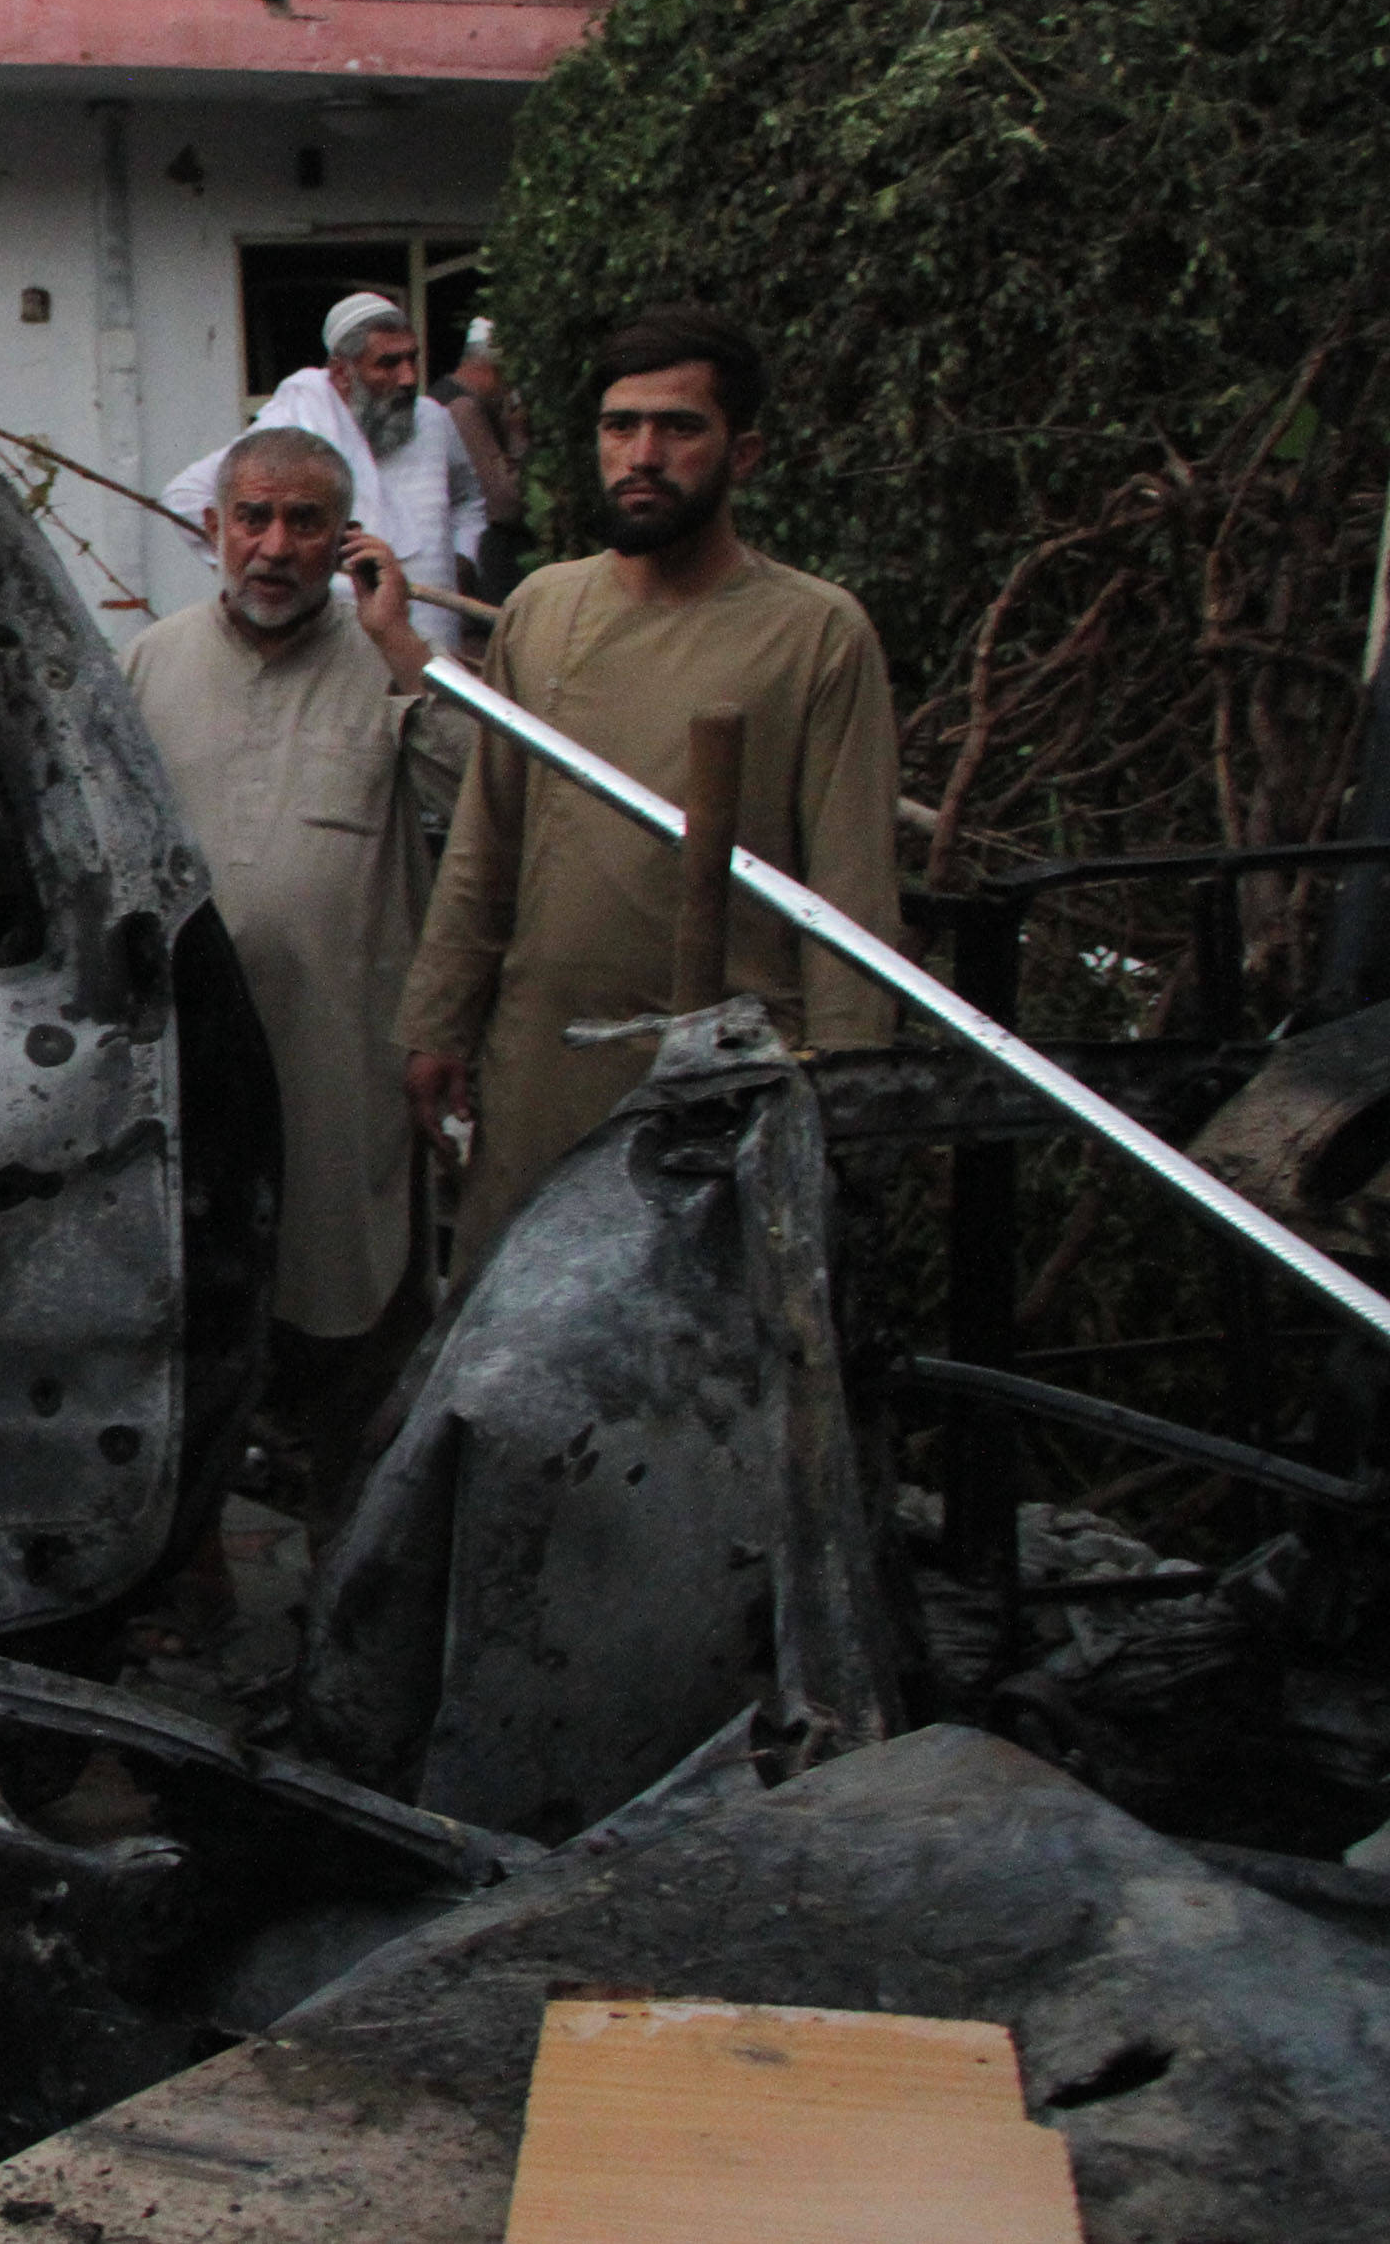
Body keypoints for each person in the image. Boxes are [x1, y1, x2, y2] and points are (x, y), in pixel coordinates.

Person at [395, 305, 902, 1282]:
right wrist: (438, 1021)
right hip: (542, 1066)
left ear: (741, 452)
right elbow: (485, 837)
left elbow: (848, 896)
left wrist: (845, 1102)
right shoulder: (544, 609)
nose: (640, 454)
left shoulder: (815, 637)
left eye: (677, 428)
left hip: (720, 1084)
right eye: (618, 426)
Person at [120, 425, 473, 1481]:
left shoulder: (392, 667)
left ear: (345, 539)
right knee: (186, 1321)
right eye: (253, 519)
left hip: (343, 1072)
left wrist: (406, 646)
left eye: (304, 522)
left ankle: (344, 1581)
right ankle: (198, 1579)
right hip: (183, 1077)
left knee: (348, 1340)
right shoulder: (146, 665)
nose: (274, 546)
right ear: (213, 530)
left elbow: (486, 798)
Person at [164, 292, 485, 658]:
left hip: (435, 627)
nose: (409, 378)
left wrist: (464, 557)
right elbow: (184, 498)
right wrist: (262, 572)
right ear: (341, 373)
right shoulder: (295, 423)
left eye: (412, 359)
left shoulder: (434, 422)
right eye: (388, 364)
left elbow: (468, 499)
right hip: (338, 640)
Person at [439, 315, 531, 602]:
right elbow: (505, 503)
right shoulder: (464, 409)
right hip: (483, 575)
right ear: (493, 369)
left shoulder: (441, 398)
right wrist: (516, 436)